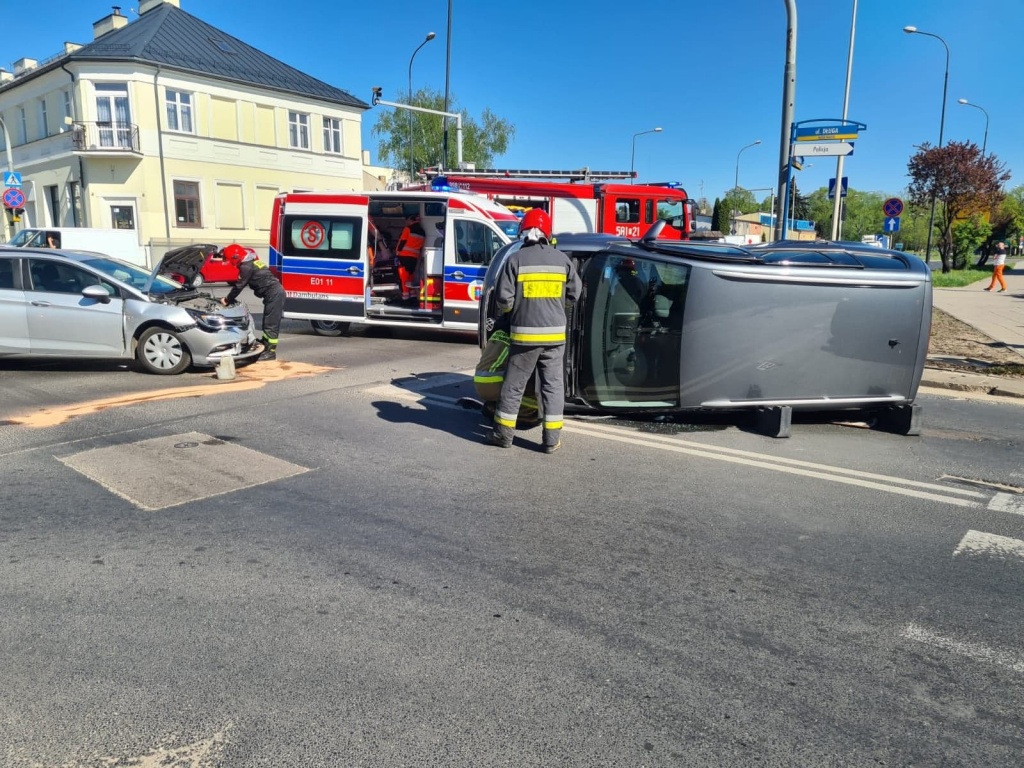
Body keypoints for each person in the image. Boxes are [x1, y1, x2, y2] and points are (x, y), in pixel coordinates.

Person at [486, 208, 581, 454]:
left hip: (524, 337)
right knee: (552, 386)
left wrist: (514, 312)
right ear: (547, 234)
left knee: (514, 385)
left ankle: (503, 435)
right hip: (555, 337)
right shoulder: (562, 260)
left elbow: (503, 300)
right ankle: (551, 441)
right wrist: (559, 307)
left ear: (523, 233)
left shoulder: (515, 260)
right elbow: (575, 293)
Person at [218, 243, 284, 361]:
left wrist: (227, 300)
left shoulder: (246, 267)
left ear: (235, 257)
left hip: (274, 294)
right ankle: (266, 343)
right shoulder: (252, 261)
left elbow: (239, 286)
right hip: (274, 292)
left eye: (229, 259)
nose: (230, 262)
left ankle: (270, 352)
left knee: (270, 324)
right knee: (267, 321)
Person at [394, 213, 425, 301]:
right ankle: (412, 296)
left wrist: (397, 253)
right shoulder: (422, 232)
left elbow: (402, 242)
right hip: (414, 258)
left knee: (404, 277)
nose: (405, 222)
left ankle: (405, 297)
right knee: (411, 277)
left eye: (406, 220)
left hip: (404, 256)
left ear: (411, 220)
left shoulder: (408, 229)